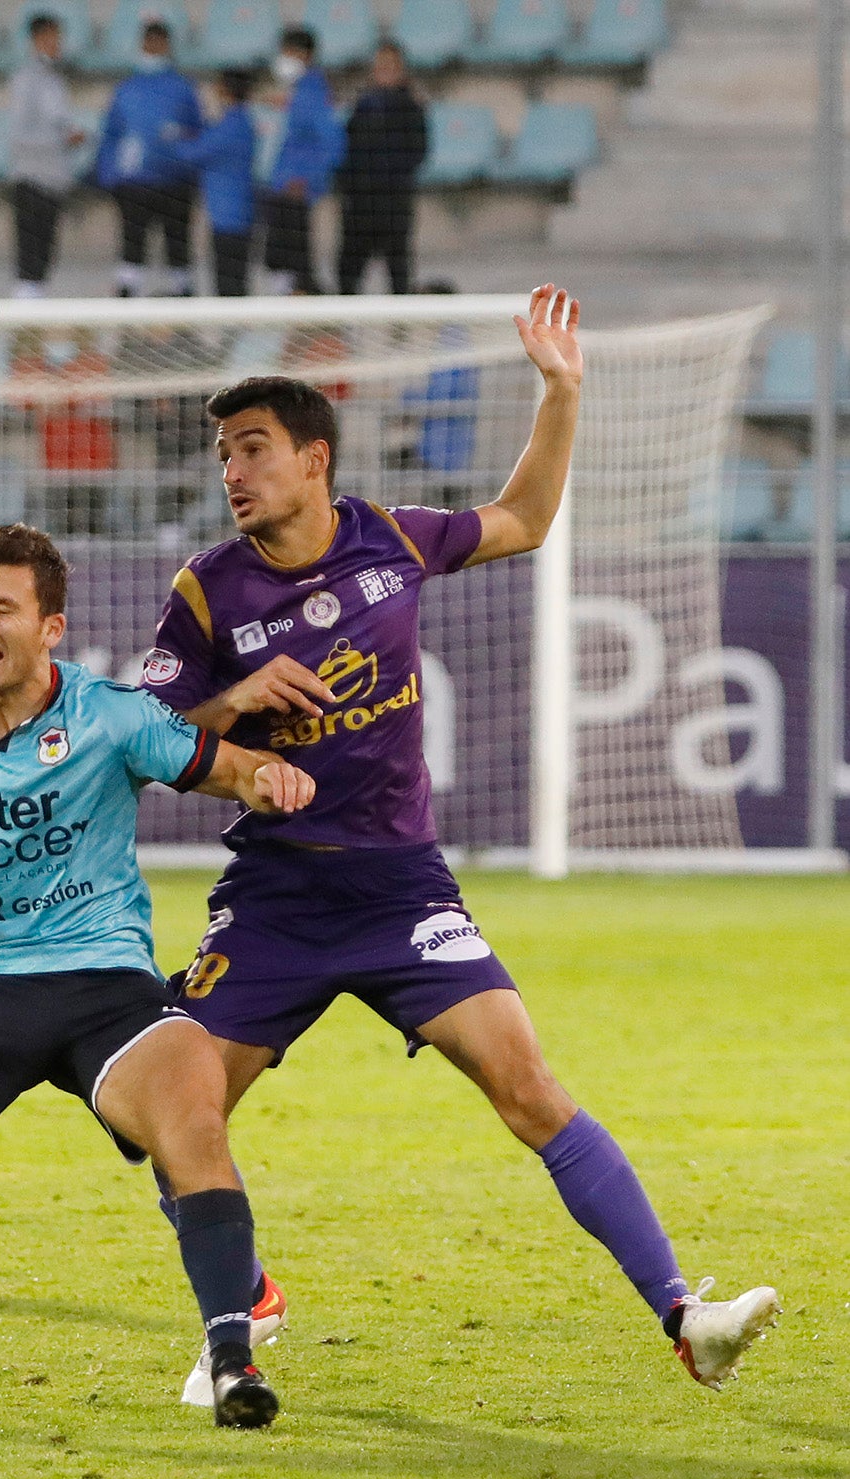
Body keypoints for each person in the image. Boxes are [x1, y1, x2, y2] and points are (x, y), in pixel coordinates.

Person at [140, 287, 781, 1406]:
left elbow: (524, 520)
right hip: (274, 900)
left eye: (253, 448)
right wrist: (233, 701)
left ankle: (688, 1316)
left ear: (313, 459)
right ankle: (245, 1298)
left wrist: (562, 391)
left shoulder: (391, 538)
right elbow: (141, 737)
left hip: (402, 892)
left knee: (529, 1086)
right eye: (224, 453)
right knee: (168, 1110)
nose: (233, 472)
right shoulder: (208, 590)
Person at [0, 523, 316, 1430]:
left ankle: (233, 1359)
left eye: (1, 607)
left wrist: (273, 779)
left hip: (103, 982)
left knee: (191, 1100)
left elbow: (224, 768)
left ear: (51, 628)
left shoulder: (110, 715)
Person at [96, 20, 204, 298]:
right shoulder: (128, 89)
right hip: (135, 182)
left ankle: (183, 298)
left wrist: (190, 168)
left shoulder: (182, 88)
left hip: (175, 181)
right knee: (133, 243)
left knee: (178, 244)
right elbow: (111, 134)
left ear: (167, 46)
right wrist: (109, 176)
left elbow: (197, 132)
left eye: (158, 43)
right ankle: (127, 301)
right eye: (149, 42)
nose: (153, 48)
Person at [336, 40, 427, 295]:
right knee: (349, 270)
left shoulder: (411, 108)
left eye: (391, 65)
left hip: (393, 203)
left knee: (398, 269)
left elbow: (418, 152)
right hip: (360, 204)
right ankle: (345, 328)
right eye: (380, 65)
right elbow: (347, 148)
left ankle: (399, 329)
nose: (384, 70)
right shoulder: (362, 107)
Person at [261, 27, 345, 295]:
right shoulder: (298, 92)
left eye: (288, 53)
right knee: (278, 257)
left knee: (293, 260)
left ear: (304, 55)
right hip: (280, 184)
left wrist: (307, 180)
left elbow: (334, 144)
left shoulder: (313, 94)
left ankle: (303, 319)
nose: (283, 59)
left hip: (294, 188)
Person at [8, 14, 87, 300]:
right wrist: (62, 139)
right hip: (32, 178)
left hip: (52, 180)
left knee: (43, 261)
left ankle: (31, 329)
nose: (57, 44)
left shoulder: (53, 79)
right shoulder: (26, 81)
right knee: (30, 261)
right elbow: (19, 136)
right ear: (36, 39)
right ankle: (24, 325)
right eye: (51, 37)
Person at [171, 70, 258, 298]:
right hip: (233, 211)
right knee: (231, 278)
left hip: (230, 216)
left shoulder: (231, 127)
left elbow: (191, 153)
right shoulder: (237, 123)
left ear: (224, 91)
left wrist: (170, 136)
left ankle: (234, 331)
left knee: (229, 281)